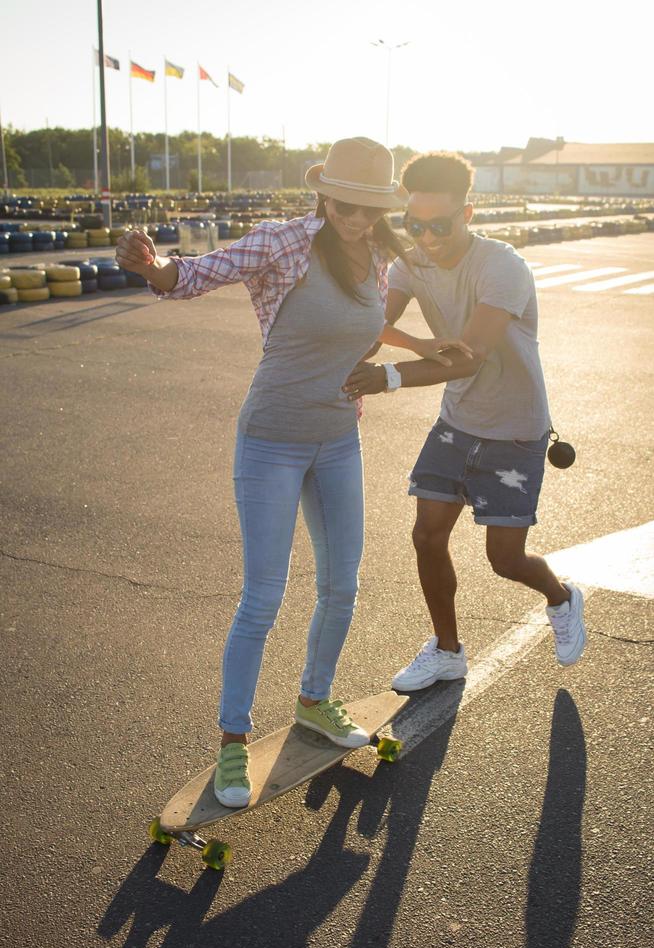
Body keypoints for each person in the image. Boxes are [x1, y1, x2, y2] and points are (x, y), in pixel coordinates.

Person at [116, 138, 466, 807]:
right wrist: (153, 266)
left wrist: (420, 343)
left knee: (341, 584)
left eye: (370, 207)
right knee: (264, 597)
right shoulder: (282, 244)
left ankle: (314, 699)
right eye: (347, 205)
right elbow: (192, 277)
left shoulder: (380, 254)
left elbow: (362, 331)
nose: (358, 219)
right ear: (323, 194)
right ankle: (231, 744)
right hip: (271, 442)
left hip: (338, 439)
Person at [343, 151, 587, 691]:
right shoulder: (409, 266)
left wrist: (389, 377)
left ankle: (563, 597)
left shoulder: (502, 266)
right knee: (427, 537)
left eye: (440, 224)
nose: (426, 237)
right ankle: (448, 651)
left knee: (505, 558)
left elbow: (471, 354)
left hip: (516, 430)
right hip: (457, 422)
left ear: (468, 213)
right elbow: (372, 323)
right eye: (415, 224)